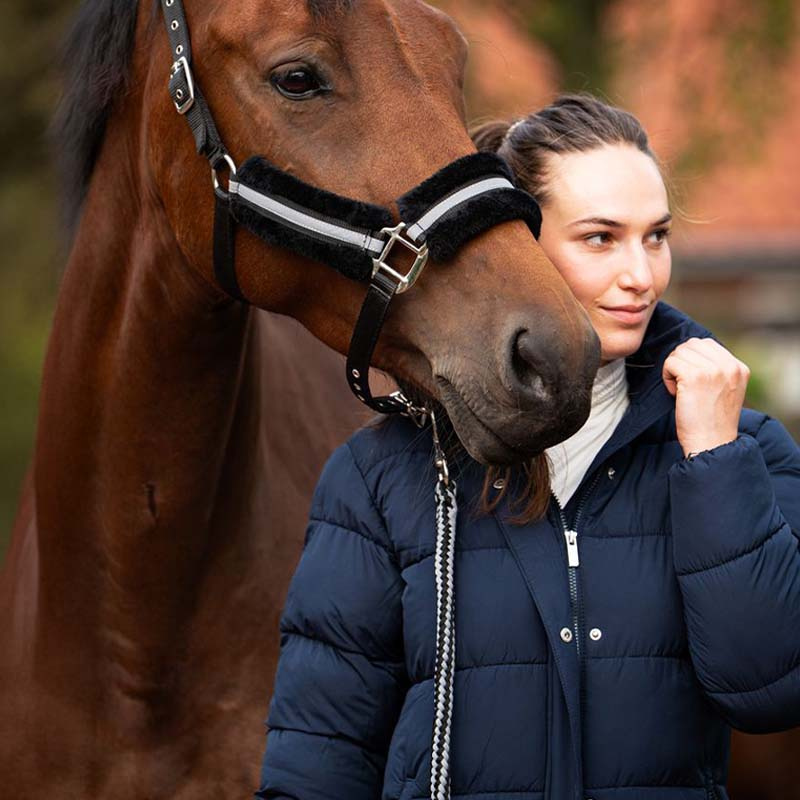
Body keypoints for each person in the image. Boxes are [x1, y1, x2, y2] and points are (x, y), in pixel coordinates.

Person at [254, 94, 800, 800]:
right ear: (518, 245)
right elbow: (318, 759)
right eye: (601, 238)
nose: (641, 275)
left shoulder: (743, 452)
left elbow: (767, 688)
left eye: (656, 236)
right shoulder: (382, 477)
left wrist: (714, 461)